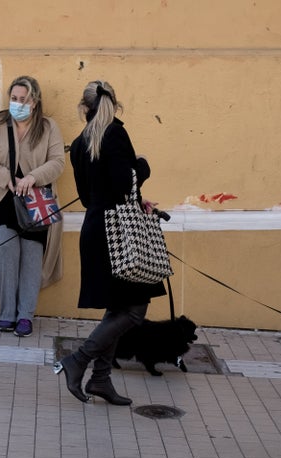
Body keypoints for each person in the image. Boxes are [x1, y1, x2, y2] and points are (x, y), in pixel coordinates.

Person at [54, 80, 166, 405]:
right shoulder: (115, 134)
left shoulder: (79, 143)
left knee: (118, 308)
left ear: (83, 108)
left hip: (96, 230)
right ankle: (78, 360)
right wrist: (142, 166)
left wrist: (132, 197)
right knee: (134, 311)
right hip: (119, 235)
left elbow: (89, 197)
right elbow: (122, 183)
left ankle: (101, 380)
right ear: (113, 105)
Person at [0, 76, 65, 337]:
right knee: (5, 249)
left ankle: (25, 316)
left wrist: (34, 177)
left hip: (35, 202)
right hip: (1, 200)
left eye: (24, 99)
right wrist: (8, 179)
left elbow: (58, 161)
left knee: (32, 254)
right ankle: (7, 314)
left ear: (34, 101)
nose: (18, 103)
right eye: (14, 98)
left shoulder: (47, 127)